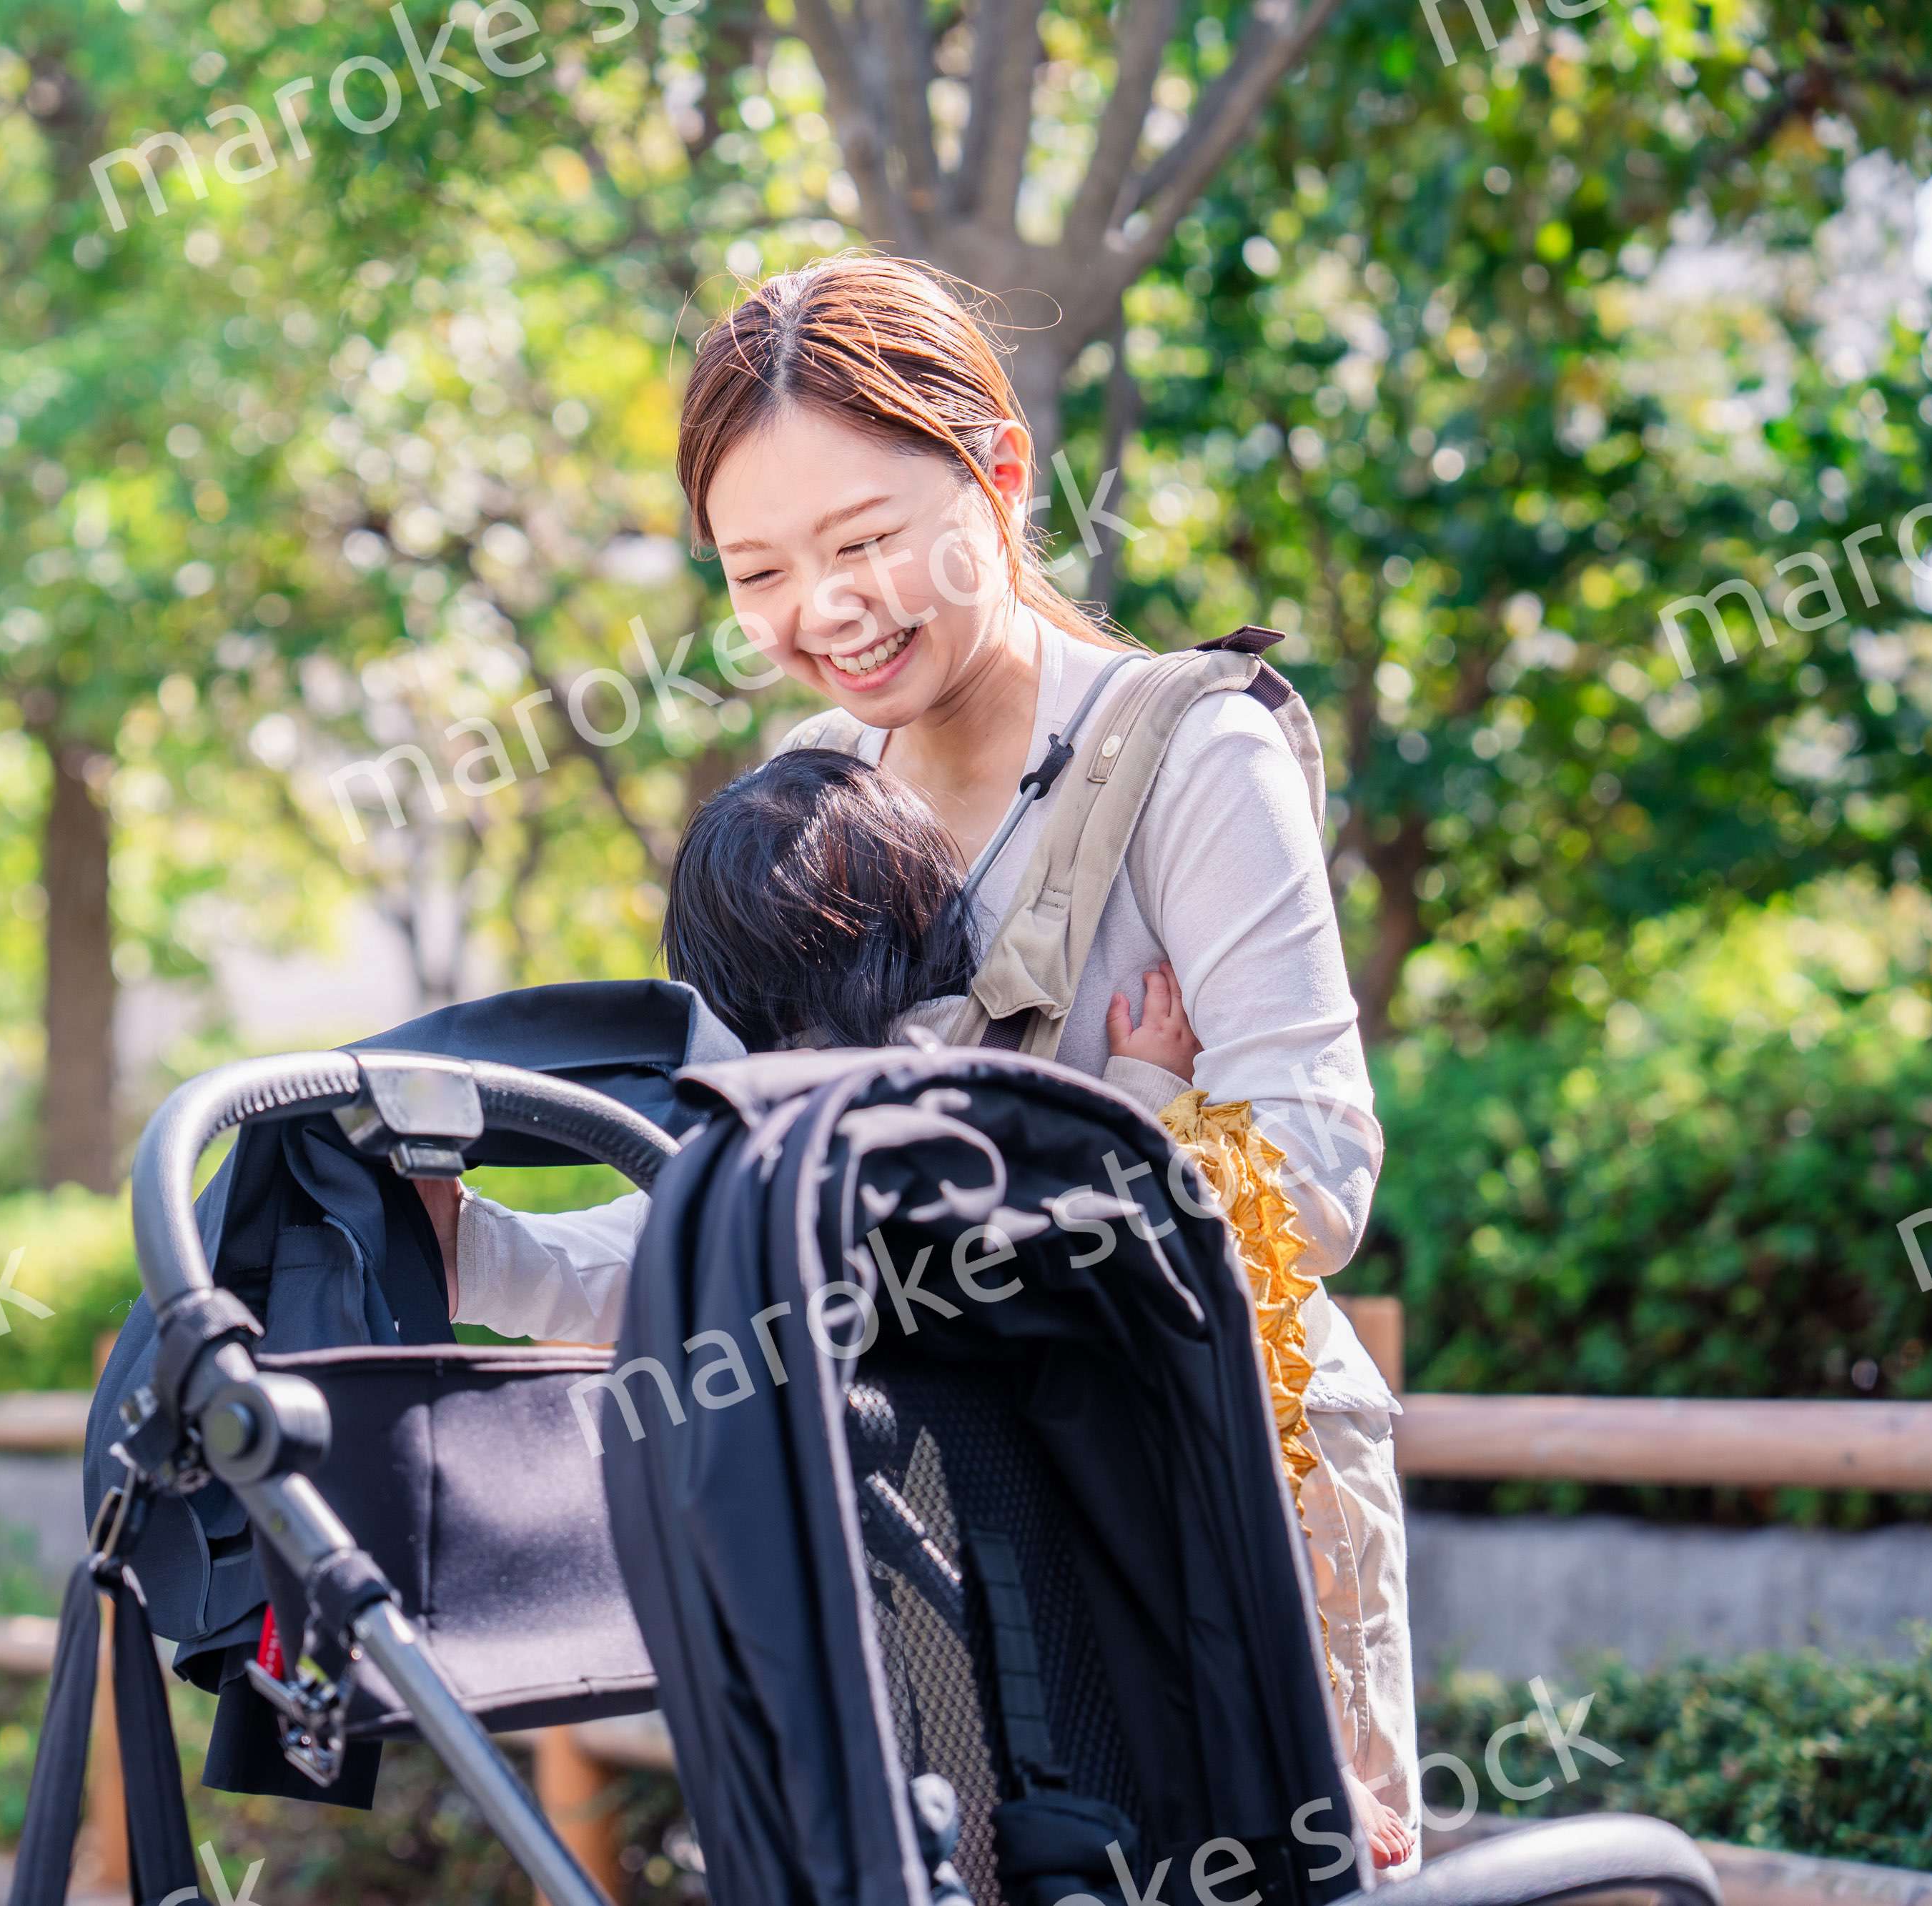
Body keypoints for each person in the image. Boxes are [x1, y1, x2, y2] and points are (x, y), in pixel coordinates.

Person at [422, 253, 1420, 1870]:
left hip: (1214, 1491)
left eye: (865, 540)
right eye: (755, 571)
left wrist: (1081, 1154)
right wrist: (485, 1248)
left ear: (1001, 473)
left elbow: (1310, 1168)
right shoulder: (806, 802)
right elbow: (739, 1198)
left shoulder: (1187, 751)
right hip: (920, 1525)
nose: (819, 609)